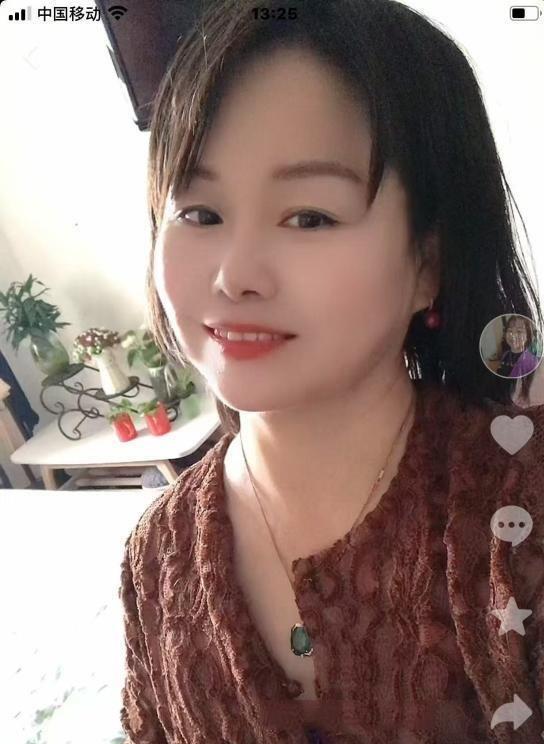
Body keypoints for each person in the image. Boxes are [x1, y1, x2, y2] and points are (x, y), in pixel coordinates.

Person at [119, 1, 544, 742]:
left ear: (428, 263)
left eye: (309, 217)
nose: (234, 275)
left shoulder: (520, 508)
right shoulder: (154, 555)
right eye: (199, 213)